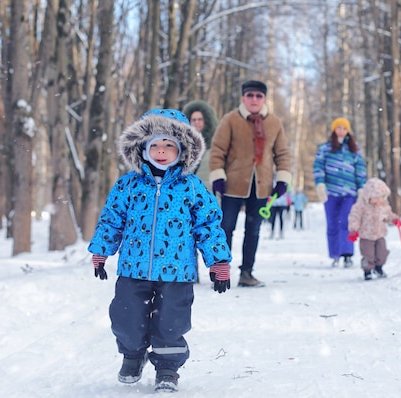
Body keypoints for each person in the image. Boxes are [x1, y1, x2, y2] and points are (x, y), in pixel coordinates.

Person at [88, 109, 232, 393]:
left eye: (169, 145)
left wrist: (218, 263)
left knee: (172, 321)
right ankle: (133, 355)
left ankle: (167, 368)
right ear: (142, 148)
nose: (161, 151)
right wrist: (101, 252)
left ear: (182, 150)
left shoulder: (191, 187)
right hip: (133, 267)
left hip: (177, 270)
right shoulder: (128, 184)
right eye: (154, 144)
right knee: (126, 316)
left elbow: (209, 224)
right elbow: (111, 219)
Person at [209, 80, 292, 287]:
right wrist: (218, 176)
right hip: (233, 185)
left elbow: (282, 154)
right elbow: (217, 150)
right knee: (226, 228)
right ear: (243, 97)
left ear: (264, 99)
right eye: (250, 95)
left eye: (259, 96)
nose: (254, 99)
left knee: (253, 230)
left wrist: (282, 180)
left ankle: (247, 273)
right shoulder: (230, 120)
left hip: (261, 186)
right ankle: (221, 272)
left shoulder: (274, 123)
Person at [312, 117, 367, 268]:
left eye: (344, 128)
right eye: (338, 128)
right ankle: (335, 254)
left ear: (348, 130)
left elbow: (360, 169)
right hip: (330, 193)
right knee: (332, 223)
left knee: (347, 222)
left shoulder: (354, 150)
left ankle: (347, 254)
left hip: (349, 193)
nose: (341, 131)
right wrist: (320, 184)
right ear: (334, 130)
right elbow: (318, 167)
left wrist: (361, 187)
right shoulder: (325, 148)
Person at [347, 177, 401, 280]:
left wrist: (394, 220)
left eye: (381, 197)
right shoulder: (360, 206)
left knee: (382, 253)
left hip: (380, 234)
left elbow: (388, 215)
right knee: (368, 255)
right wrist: (353, 230)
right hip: (366, 236)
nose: (378, 200)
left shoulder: (383, 205)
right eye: (375, 197)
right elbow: (355, 217)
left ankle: (378, 268)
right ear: (368, 196)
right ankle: (367, 271)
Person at [182, 100, 219, 190]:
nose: (196, 122)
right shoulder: (182, 144)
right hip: (186, 192)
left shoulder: (215, 144)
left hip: (207, 191)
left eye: (200, 119)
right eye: (193, 120)